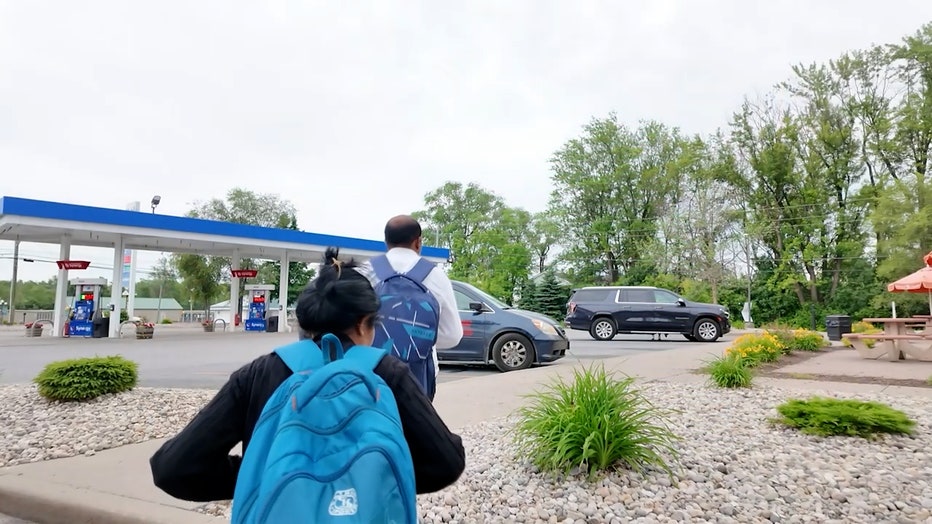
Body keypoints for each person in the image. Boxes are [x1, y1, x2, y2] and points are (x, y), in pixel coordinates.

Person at [149, 247, 466, 503]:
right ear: (363, 323)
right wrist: (372, 479)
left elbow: (173, 469)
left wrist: (262, 474)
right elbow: (445, 463)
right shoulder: (388, 375)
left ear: (304, 321)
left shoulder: (259, 374)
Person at [359, 215, 463, 401]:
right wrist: (416, 337)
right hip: (418, 376)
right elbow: (453, 335)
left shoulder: (365, 271)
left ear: (386, 241)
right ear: (418, 242)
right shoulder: (436, 276)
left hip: (371, 372)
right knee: (417, 428)